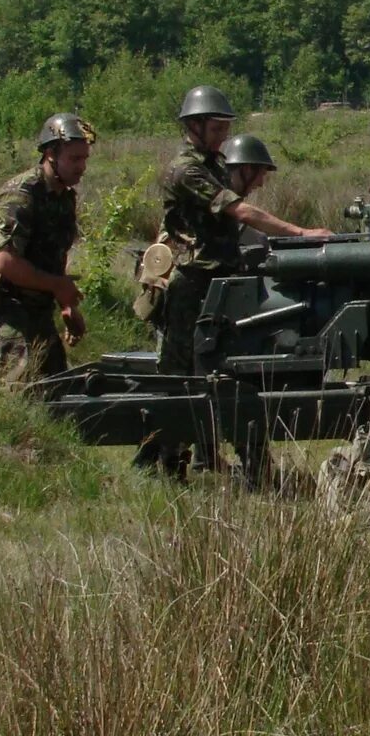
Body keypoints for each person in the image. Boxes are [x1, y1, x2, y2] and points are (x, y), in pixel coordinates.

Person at [139, 86, 331, 472]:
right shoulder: (187, 169)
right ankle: (162, 463)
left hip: (216, 282)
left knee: (220, 375)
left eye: (227, 127)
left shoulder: (211, 163)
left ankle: (208, 462)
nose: (224, 134)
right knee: (181, 380)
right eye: (216, 127)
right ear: (194, 125)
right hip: (189, 284)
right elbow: (238, 211)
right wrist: (299, 233)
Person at [0, 113, 91, 385]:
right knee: (23, 386)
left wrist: (67, 306)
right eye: (75, 159)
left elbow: (52, 257)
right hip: (5, 304)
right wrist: (58, 287)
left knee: (57, 382)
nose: (82, 167)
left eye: (85, 159)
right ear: (50, 155)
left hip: (35, 304)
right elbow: (4, 261)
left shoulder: (63, 197)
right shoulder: (20, 195)